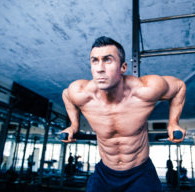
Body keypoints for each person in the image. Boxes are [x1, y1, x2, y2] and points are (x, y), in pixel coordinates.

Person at [61, 36, 186, 192]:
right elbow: (66, 95)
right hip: (105, 173)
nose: (100, 68)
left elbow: (179, 87)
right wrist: (74, 126)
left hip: (140, 173)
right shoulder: (81, 93)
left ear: (123, 67)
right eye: (95, 61)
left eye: (107, 60)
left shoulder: (145, 90)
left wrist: (173, 122)